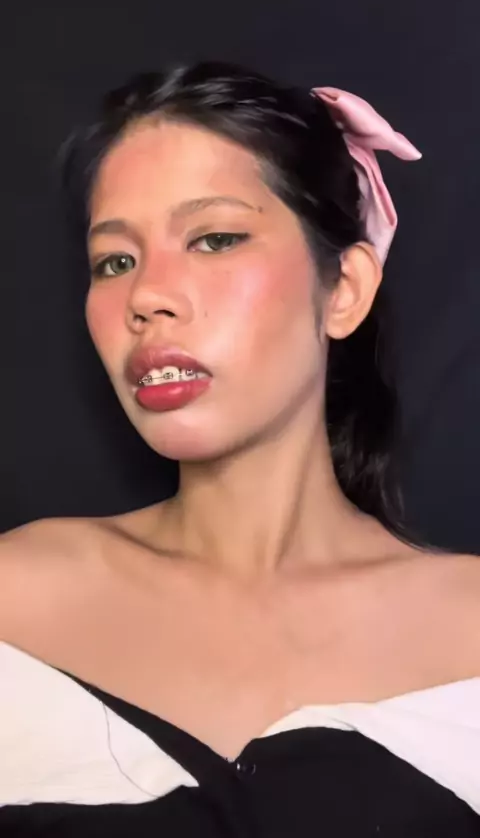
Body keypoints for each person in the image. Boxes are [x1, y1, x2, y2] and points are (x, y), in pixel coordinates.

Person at [1, 61, 480, 837]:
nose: (147, 296)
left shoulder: (469, 631)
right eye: (114, 261)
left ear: (344, 288)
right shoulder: (15, 600)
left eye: (215, 239)